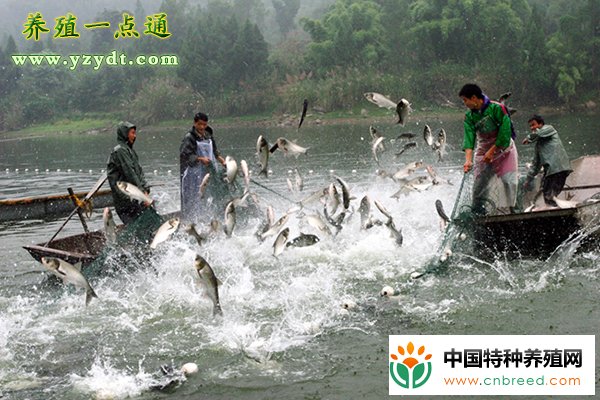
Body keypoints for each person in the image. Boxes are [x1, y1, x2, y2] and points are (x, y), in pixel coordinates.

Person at [459, 83, 519, 215]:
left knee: (509, 181)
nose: (465, 104)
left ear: (474, 98)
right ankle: (479, 211)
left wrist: (492, 151)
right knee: (479, 185)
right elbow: (469, 139)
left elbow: (505, 132)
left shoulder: (497, 108)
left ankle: (512, 209)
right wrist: (468, 160)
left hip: (504, 149)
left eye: (465, 100)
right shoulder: (469, 116)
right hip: (483, 150)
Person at [179, 112, 226, 222]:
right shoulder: (189, 138)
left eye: (204, 125)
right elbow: (185, 155)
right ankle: (192, 220)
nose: (202, 127)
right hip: (193, 175)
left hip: (208, 172)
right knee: (194, 196)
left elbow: (215, 152)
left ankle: (210, 218)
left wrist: (223, 162)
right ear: (195, 123)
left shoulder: (208, 135)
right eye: (200, 124)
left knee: (209, 195)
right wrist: (200, 159)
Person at [107, 122, 152, 224]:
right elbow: (130, 173)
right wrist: (142, 194)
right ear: (125, 134)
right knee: (135, 229)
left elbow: (139, 173)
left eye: (135, 133)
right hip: (125, 201)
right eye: (132, 133)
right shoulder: (120, 151)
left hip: (136, 198)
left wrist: (145, 189)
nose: (134, 136)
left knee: (145, 226)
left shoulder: (130, 151)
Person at [522, 115, 571, 207]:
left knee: (549, 196)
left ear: (541, 124)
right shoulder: (538, 146)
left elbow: (539, 133)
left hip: (559, 169)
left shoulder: (549, 129)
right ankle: (556, 209)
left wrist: (528, 139)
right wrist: (528, 179)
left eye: (534, 125)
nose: (532, 128)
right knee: (546, 193)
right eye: (530, 126)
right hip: (550, 172)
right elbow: (536, 165)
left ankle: (560, 210)